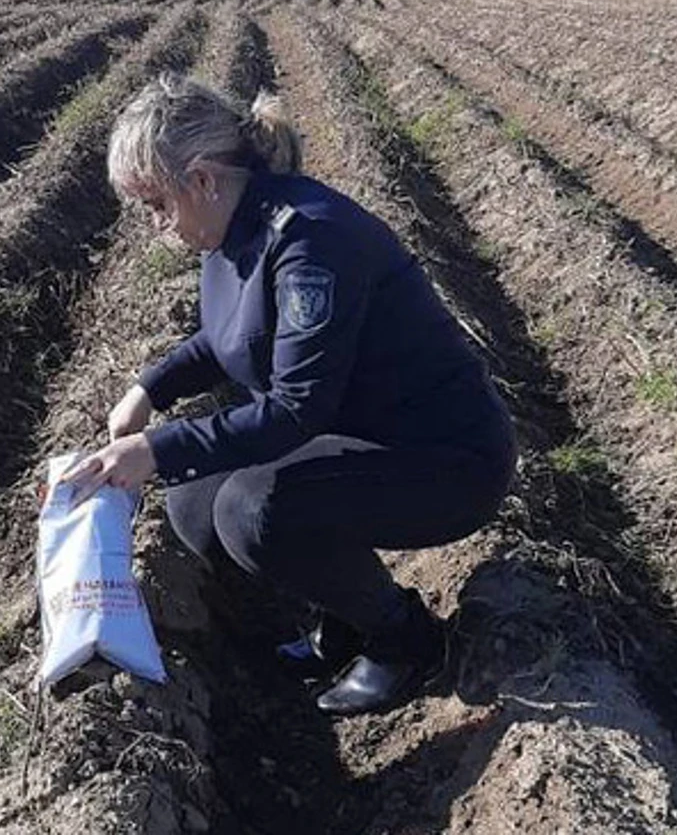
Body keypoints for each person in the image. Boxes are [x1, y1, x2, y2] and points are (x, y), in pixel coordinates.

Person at [59, 72, 518, 717]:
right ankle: (347, 614)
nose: (159, 226)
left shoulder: (311, 241)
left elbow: (298, 407)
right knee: (194, 502)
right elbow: (226, 339)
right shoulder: (234, 232)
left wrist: (155, 449)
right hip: (363, 436)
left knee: (253, 512)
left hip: (445, 458)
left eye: (158, 206)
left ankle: (405, 640)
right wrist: (148, 389)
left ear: (202, 179)